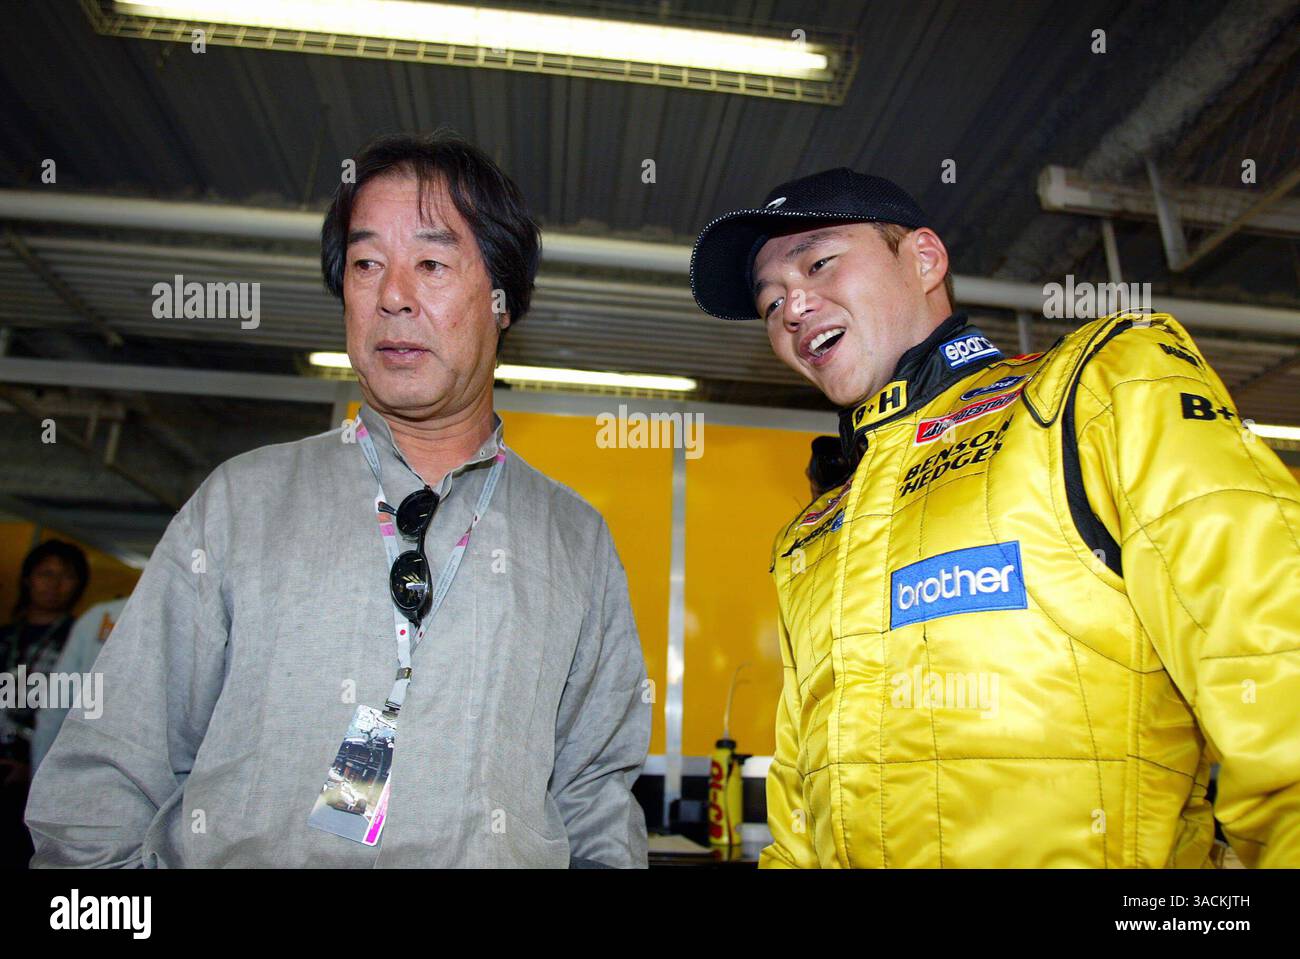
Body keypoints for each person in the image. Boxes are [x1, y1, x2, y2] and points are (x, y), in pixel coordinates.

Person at [26, 131, 650, 868]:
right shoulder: (241, 503)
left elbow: (597, 802)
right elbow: (108, 774)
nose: (392, 295)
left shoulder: (573, 541)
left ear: (502, 299)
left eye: (431, 262)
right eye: (365, 264)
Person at [689, 167, 1300, 868]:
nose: (792, 308)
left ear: (924, 259)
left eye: (819, 262)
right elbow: (801, 807)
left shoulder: (1097, 391)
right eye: (770, 303)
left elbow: (1277, 668)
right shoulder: (815, 531)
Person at [1, 539, 89, 868]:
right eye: (45, 573)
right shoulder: (6, 637)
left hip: (44, 775)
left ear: (79, 584)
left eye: (65, 576)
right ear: (27, 579)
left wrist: (35, 764)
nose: (54, 584)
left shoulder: (80, 640)